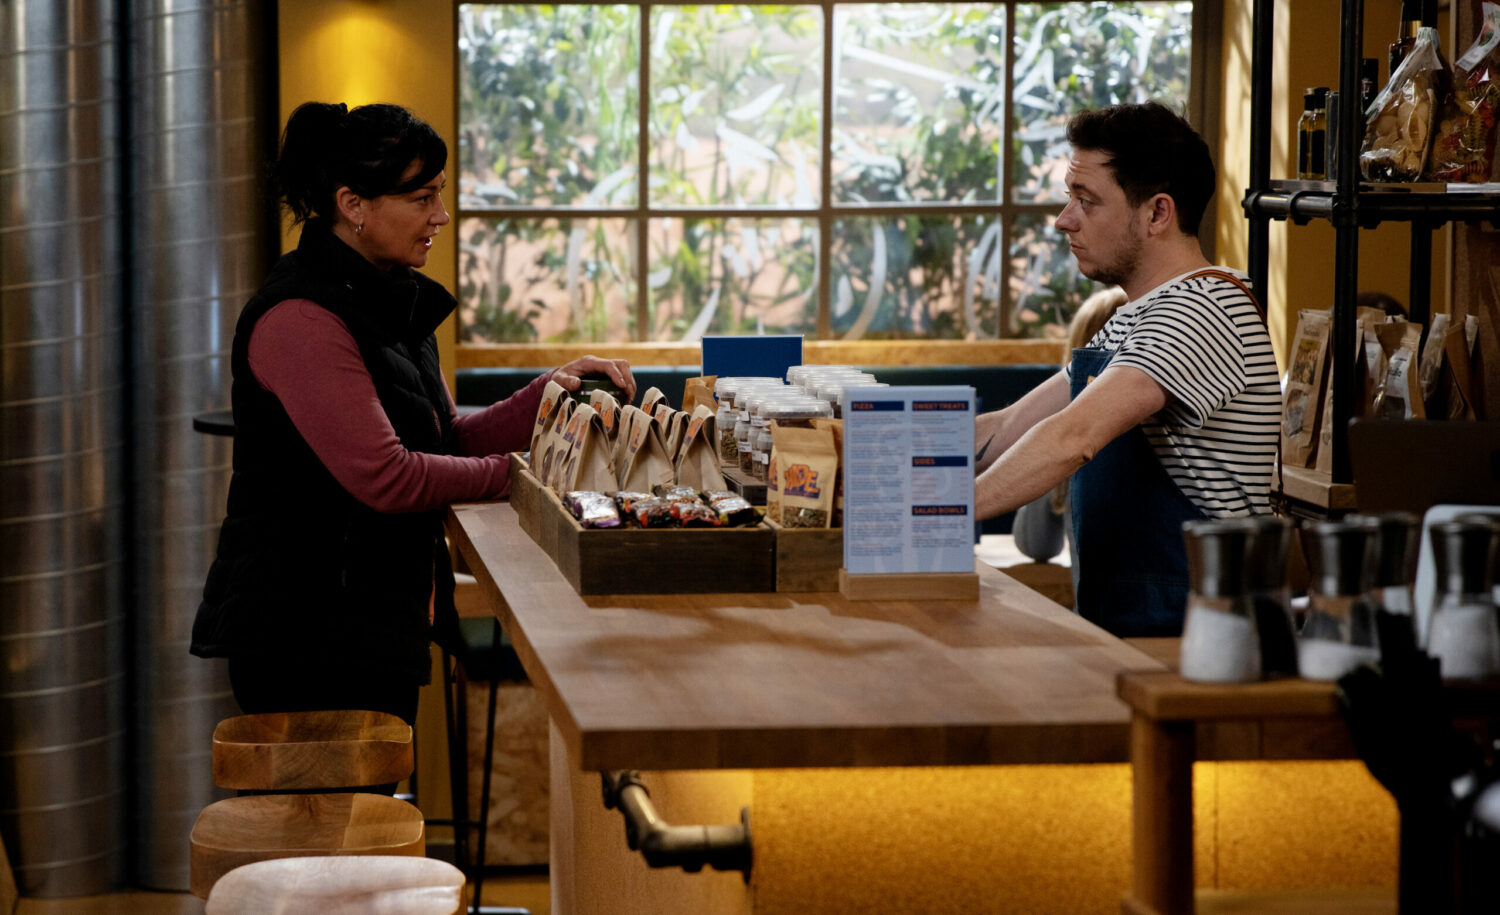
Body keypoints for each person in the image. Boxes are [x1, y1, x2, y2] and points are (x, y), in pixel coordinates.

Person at [191, 102, 636, 730]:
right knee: (336, 827)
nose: (441, 216)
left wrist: (548, 397)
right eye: (423, 198)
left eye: (441, 196)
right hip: (305, 635)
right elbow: (389, 476)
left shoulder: (391, 299)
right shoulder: (301, 319)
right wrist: (529, 474)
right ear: (354, 205)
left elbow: (443, 440)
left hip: (370, 622)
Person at [974, 102, 1280, 637]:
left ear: (1158, 213)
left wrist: (933, 513)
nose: (1064, 219)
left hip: (1203, 639)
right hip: (1137, 629)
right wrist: (865, 454)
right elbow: (1006, 427)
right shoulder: (1137, 318)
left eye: (1085, 200)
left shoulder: (1202, 308)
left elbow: (1074, 436)